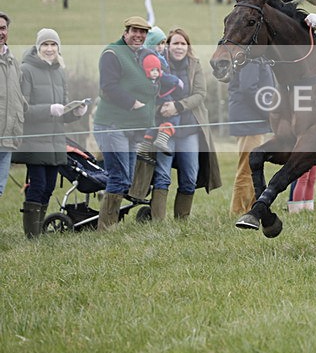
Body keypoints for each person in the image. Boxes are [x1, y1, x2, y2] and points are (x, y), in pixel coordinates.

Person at [14, 29, 88, 237]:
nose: (49, 49)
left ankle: (38, 229)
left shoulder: (59, 72)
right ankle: (32, 235)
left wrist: (74, 113)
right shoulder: (26, 70)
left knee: (50, 186)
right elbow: (23, 109)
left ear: (58, 48)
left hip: (55, 140)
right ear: (38, 47)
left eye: (53, 45)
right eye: (45, 45)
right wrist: (48, 109)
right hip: (35, 139)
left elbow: (61, 112)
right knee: (38, 184)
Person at [93, 16, 158, 230]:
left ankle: (107, 219)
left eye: (143, 32)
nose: (139, 36)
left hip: (131, 129)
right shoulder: (112, 53)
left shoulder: (140, 55)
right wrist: (134, 104)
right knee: (119, 178)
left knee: (125, 179)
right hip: (112, 126)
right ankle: (106, 227)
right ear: (126, 32)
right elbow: (108, 87)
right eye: (135, 31)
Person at [151, 28, 221, 220]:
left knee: (190, 177)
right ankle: (157, 221)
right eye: (175, 43)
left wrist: (178, 106)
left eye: (183, 43)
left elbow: (200, 94)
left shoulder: (194, 65)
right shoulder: (158, 64)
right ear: (168, 45)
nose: (179, 47)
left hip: (189, 129)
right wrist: (162, 108)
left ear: (187, 47)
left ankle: (182, 220)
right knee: (162, 176)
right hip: (165, 129)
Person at [228, 61, 275, 215]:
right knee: (246, 168)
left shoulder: (259, 56)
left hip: (254, 119)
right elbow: (249, 89)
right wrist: (268, 113)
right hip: (249, 119)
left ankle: (250, 209)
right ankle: (237, 211)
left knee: (252, 167)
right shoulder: (252, 57)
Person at [0, 11, 26, 199]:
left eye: (3, 28)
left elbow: (20, 99)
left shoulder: (14, 62)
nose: (0, 32)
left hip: (8, 138)